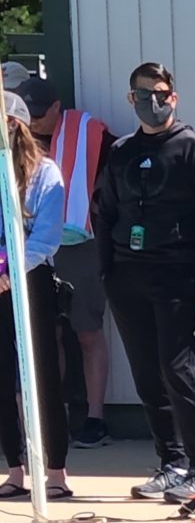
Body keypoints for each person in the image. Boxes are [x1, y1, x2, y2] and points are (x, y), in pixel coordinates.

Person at [91, 61, 195, 503]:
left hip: (174, 274)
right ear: (131, 99)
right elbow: (104, 211)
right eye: (144, 94)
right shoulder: (122, 151)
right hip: (126, 276)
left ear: (174, 97)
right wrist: (105, 268)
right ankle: (170, 463)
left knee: (178, 369)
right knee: (147, 374)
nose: (154, 102)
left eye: (162, 93)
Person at [16, 76, 112, 448]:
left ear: (57, 107)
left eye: (40, 114)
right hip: (26, 251)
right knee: (42, 335)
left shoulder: (87, 132)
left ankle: (95, 417)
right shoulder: (13, 140)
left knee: (87, 331)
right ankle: (45, 416)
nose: (34, 121)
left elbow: (114, 173)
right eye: (28, 115)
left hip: (77, 244)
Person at [0, 96, 72, 501]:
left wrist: (11, 273)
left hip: (32, 279)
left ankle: (56, 470)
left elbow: (45, 238)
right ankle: (14, 467)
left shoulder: (45, 173)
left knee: (42, 374)